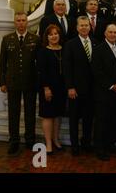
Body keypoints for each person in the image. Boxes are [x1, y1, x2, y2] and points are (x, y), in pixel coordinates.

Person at [0, 12, 40, 155]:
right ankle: (14, 141)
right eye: (18, 20)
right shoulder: (7, 39)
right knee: (13, 113)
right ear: (15, 22)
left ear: (27, 22)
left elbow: (39, 63)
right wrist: (2, 82)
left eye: (23, 20)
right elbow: (2, 63)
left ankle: (30, 140)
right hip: (13, 82)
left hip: (30, 81)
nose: (21, 23)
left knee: (30, 113)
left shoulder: (35, 39)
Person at [92, 24, 116, 161]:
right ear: (105, 33)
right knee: (102, 122)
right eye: (110, 32)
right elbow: (97, 72)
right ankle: (100, 148)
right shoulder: (99, 49)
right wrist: (112, 86)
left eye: (115, 32)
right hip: (104, 93)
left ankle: (111, 144)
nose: (113, 34)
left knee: (115, 120)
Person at [63, 16, 97, 156]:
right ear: (77, 27)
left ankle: (86, 142)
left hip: (91, 89)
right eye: (81, 25)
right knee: (74, 119)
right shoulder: (70, 44)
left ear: (90, 27)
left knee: (88, 118)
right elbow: (67, 68)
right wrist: (70, 87)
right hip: (75, 89)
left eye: (86, 25)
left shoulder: (95, 43)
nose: (84, 27)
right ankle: (75, 145)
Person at [37, 25, 67, 154]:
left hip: (61, 88)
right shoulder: (43, 51)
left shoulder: (64, 50)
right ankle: (48, 143)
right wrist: (46, 88)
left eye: (56, 34)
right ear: (47, 37)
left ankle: (55, 139)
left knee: (58, 116)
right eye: (51, 34)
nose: (54, 36)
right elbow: (41, 72)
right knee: (48, 116)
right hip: (48, 88)